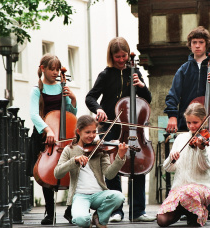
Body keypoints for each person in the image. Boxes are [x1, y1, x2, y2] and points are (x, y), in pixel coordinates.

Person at [164, 26, 210, 220]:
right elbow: (173, 95)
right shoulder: (184, 69)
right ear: (190, 45)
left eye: (200, 42)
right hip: (189, 123)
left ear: (206, 44)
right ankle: (188, 204)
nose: (197, 46)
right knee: (187, 163)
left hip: (209, 124)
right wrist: (171, 115)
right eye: (194, 43)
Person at [85, 37, 156, 222]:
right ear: (111, 56)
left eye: (124, 56)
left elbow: (147, 99)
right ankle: (116, 210)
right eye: (117, 57)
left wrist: (141, 85)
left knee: (138, 166)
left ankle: (138, 211)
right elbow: (90, 97)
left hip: (134, 128)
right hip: (110, 126)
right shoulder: (106, 75)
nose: (122, 60)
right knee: (112, 169)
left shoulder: (135, 71)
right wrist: (98, 109)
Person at [54, 115, 127, 228]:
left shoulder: (100, 149)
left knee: (119, 197)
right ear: (79, 131)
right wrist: (74, 161)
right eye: (88, 132)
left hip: (99, 194)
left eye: (94, 132)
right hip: (80, 195)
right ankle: (87, 219)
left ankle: (100, 218)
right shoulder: (69, 150)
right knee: (80, 220)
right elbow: (57, 173)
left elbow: (109, 174)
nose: (92, 136)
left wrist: (120, 158)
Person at [30, 53, 77, 225]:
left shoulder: (61, 88)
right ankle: (50, 213)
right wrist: (48, 129)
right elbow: (34, 114)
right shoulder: (37, 90)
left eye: (58, 69)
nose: (56, 72)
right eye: (52, 69)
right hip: (45, 135)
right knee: (46, 172)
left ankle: (70, 209)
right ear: (43, 69)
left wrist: (72, 99)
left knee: (74, 170)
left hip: (63, 137)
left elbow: (71, 114)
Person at [157, 102, 210, 227]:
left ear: (203, 121)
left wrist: (201, 150)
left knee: (188, 192)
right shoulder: (180, 139)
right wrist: (171, 158)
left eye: (195, 123)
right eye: (188, 122)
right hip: (180, 189)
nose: (191, 126)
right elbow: (168, 168)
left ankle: (197, 211)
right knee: (162, 220)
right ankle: (186, 210)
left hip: (202, 187)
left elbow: (205, 166)